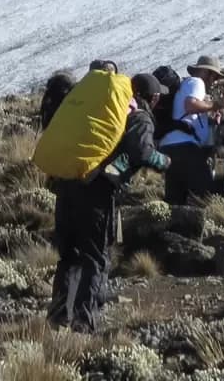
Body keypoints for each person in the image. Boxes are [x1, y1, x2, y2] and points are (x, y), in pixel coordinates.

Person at [47, 73, 169, 333]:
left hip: (68, 183)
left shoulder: (103, 109)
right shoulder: (139, 117)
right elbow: (142, 151)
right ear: (154, 98)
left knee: (70, 256)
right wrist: (166, 161)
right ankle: (84, 323)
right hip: (97, 193)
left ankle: (58, 319)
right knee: (96, 257)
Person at [158, 57, 224, 204]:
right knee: (207, 195)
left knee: (176, 199)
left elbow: (189, 113)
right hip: (185, 147)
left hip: (169, 146)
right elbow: (190, 106)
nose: (214, 81)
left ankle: (173, 225)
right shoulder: (196, 82)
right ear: (207, 72)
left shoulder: (185, 86)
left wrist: (210, 120)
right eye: (214, 76)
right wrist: (216, 104)